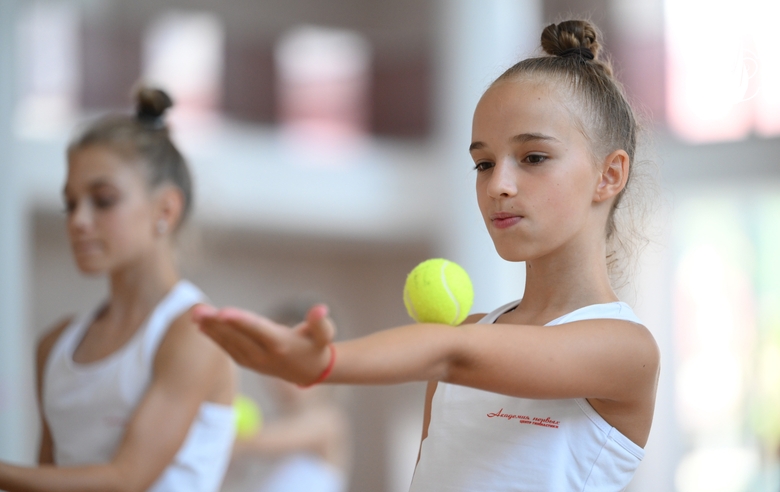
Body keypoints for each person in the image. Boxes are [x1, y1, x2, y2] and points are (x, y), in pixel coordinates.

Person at [195, 20, 660, 491]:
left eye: (533, 157)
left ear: (609, 174)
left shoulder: (625, 350)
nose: (498, 184)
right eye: (483, 163)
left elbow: (450, 354)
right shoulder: (466, 338)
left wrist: (326, 362)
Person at [0, 88, 236, 492]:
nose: (78, 221)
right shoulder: (55, 346)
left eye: (103, 200)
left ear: (165, 210)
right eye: (70, 204)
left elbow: (126, 480)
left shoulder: (197, 333)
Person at [230, 299, 351, 492]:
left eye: (293, 363)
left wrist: (232, 440)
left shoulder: (328, 421)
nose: (282, 376)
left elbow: (261, 441)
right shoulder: (276, 424)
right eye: (273, 365)